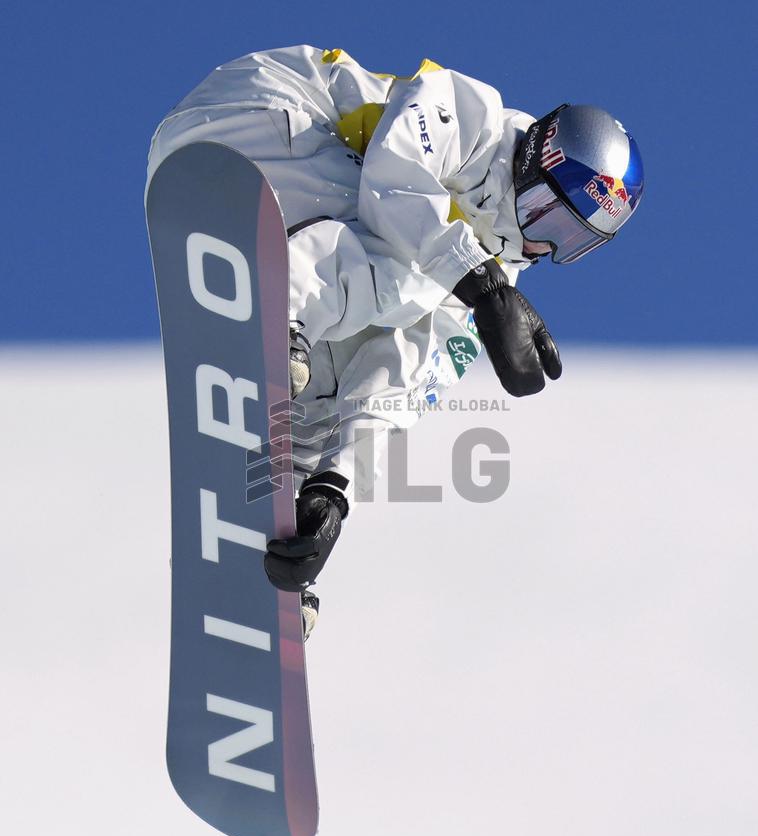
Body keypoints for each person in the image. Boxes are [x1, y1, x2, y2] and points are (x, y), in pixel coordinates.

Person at [146, 46, 644, 627]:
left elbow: (402, 380)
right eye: (544, 212)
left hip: (277, 201)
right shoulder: (471, 115)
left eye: (569, 240)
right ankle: (278, 317)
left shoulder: (486, 279)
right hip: (251, 117)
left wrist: (336, 487)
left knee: (366, 353)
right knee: (409, 274)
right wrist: (483, 287)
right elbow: (393, 183)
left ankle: (271, 516)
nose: (542, 241)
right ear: (534, 157)